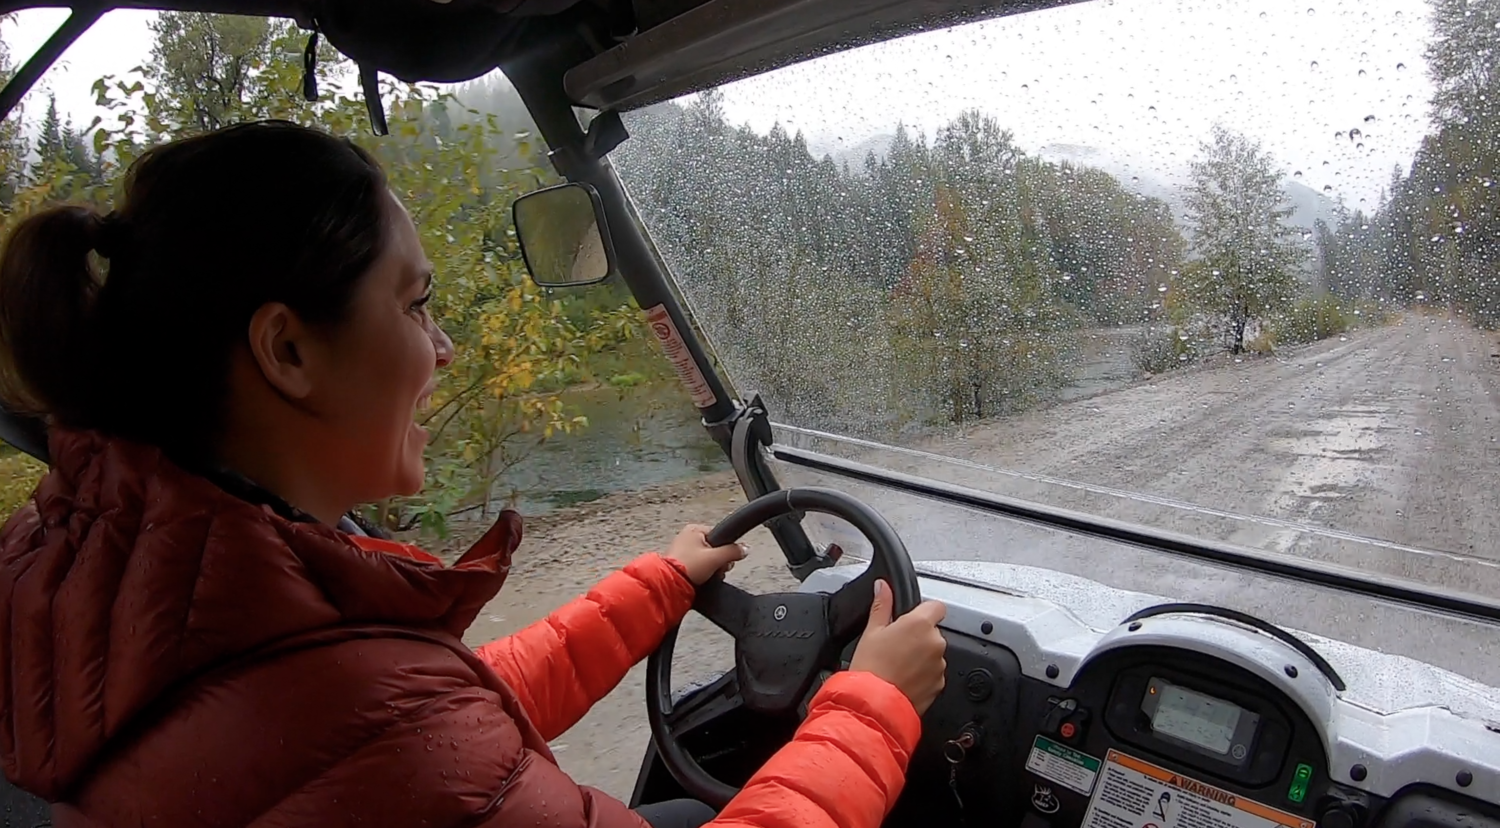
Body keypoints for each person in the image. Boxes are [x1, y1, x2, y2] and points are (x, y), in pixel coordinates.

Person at [0, 120, 949, 828]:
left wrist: (655, 587)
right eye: (415, 306)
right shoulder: (346, 712)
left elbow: (441, 712)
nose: (444, 350)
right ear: (287, 350)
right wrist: (875, 704)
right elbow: (412, 741)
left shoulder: (107, 573)